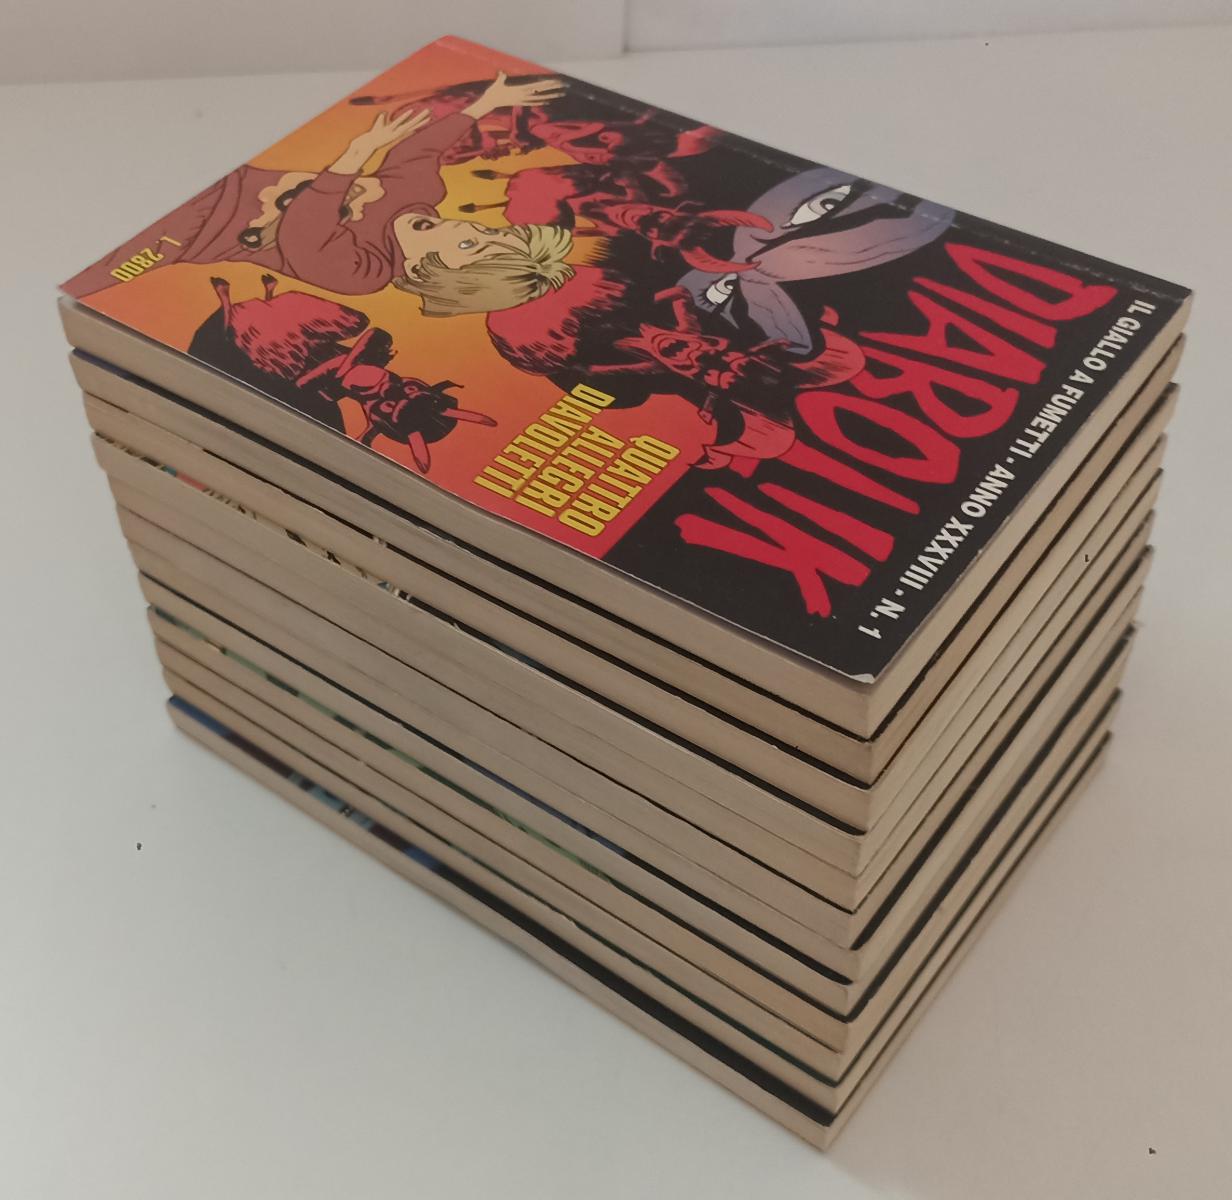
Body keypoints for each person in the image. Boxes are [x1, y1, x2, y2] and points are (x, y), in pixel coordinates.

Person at [64, 72, 574, 313]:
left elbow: (304, 230)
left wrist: (357, 153)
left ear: (429, 272)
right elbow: (421, 150)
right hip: (225, 177)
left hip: (192, 233)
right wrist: (486, 103)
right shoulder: (419, 194)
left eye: (471, 245)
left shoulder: (364, 273)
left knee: (86, 292)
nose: (473, 227)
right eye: (490, 233)